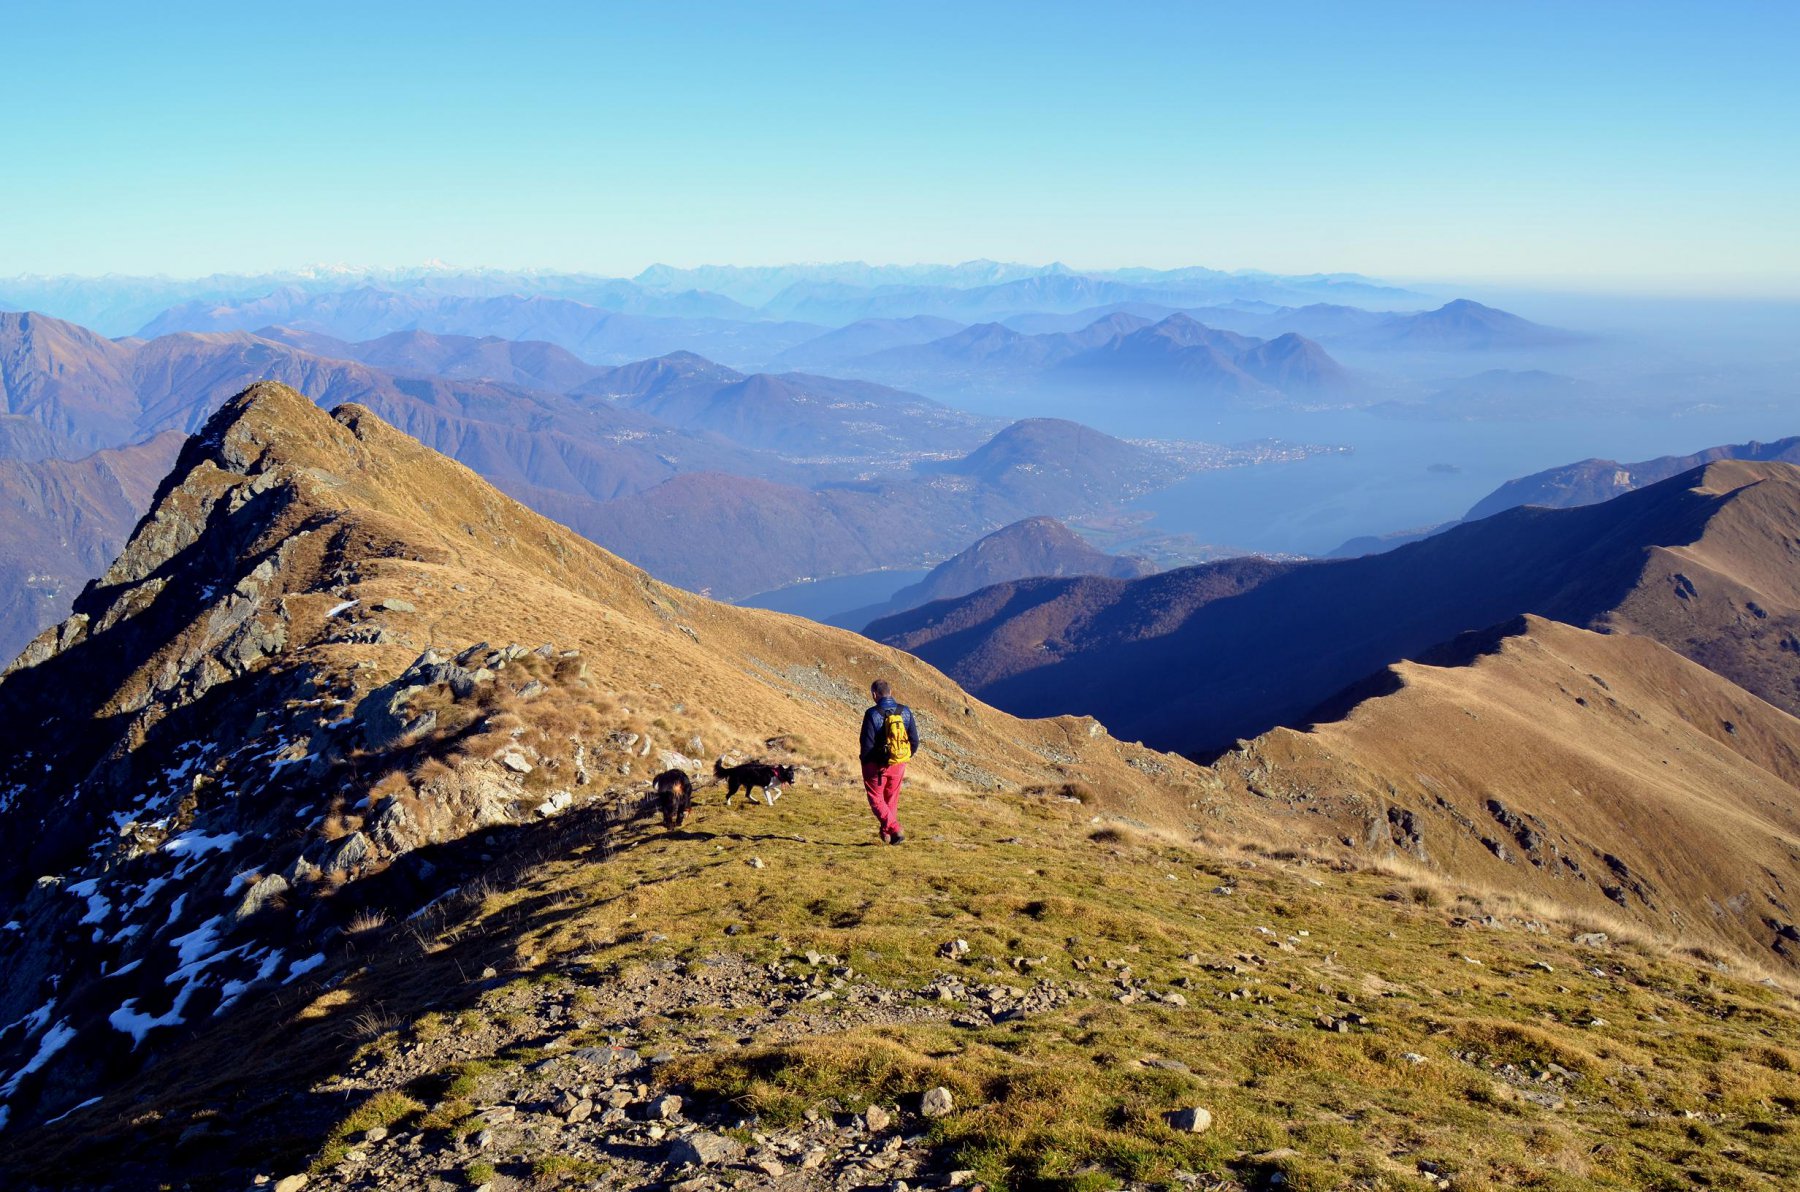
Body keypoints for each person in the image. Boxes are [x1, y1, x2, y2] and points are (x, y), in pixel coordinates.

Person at [859, 679, 920, 845]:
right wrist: (902, 758)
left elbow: (867, 744)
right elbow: (914, 740)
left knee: (876, 799)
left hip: (877, 766)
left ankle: (894, 828)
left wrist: (866, 764)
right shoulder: (905, 711)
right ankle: (888, 836)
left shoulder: (872, 713)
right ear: (890, 692)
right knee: (891, 799)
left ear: (874, 694)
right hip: (899, 764)